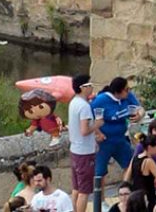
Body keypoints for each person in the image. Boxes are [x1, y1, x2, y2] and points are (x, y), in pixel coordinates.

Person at [91, 77, 145, 197]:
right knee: (100, 172)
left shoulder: (128, 97)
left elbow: (140, 108)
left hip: (120, 139)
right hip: (104, 141)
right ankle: (101, 200)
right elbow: (89, 118)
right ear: (118, 91)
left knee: (131, 165)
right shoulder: (101, 100)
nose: (129, 91)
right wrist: (97, 133)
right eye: (126, 89)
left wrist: (139, 115)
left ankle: (127, 194)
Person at [68, 74, 97, 212]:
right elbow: (84, 130)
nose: (91, 87)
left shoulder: (73, 102)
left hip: (75, 149)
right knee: (84, 191)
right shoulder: (84, 106)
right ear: (83, 88)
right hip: (84, 152)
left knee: (76, 188)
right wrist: (97, 124)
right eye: (89, 85)